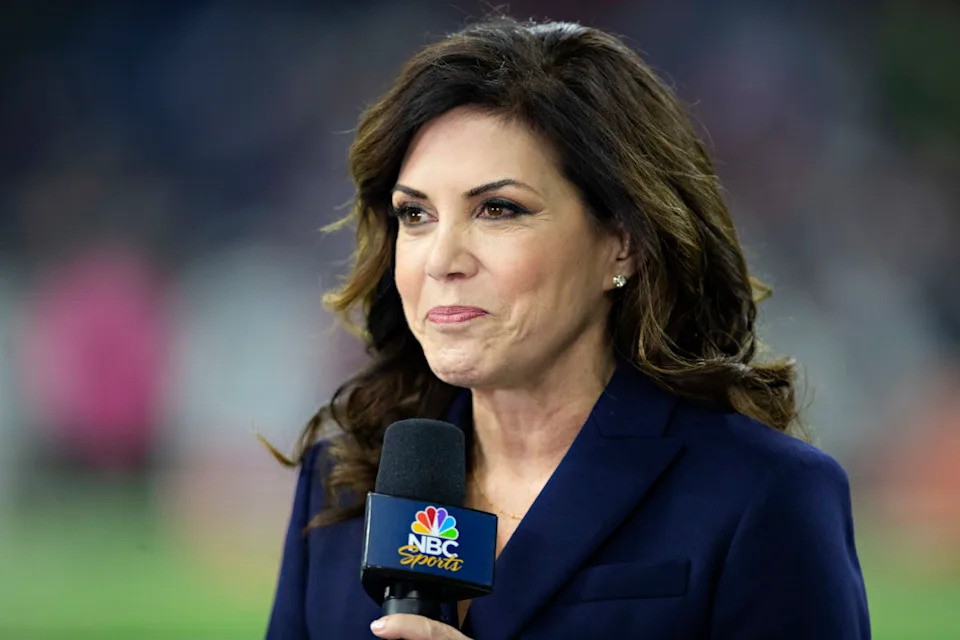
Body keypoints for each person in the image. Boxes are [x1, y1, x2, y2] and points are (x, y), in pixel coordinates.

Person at [264, 16, 870, 640]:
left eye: (498, 210)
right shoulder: (342, 480)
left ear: (623, 243)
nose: (441, 260)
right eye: (415, 214)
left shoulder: (763, 494)